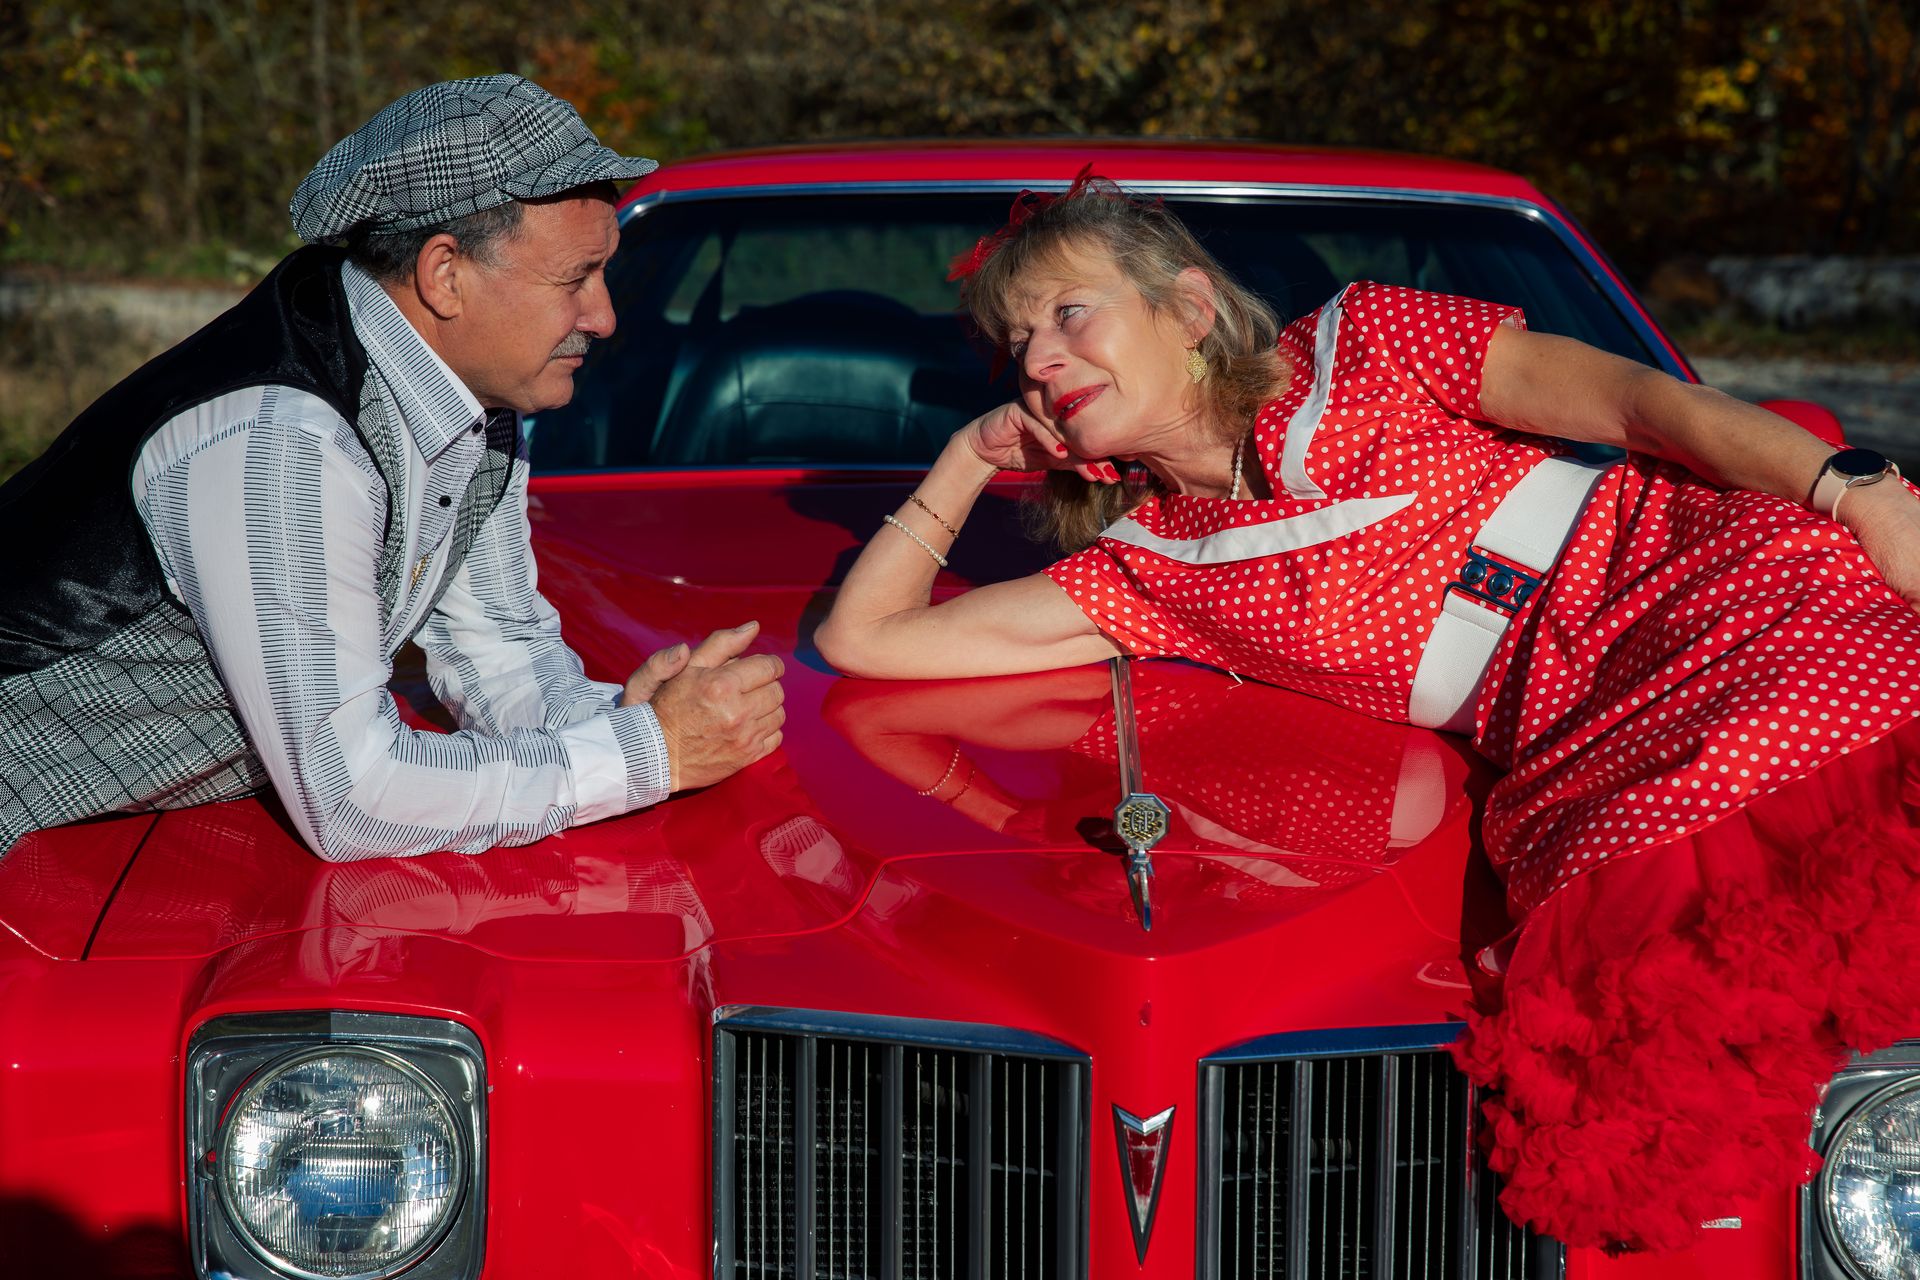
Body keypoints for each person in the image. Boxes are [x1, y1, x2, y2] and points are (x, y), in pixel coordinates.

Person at [814, 173, 1920, 1251]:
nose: (1040, 361)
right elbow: (864, 641)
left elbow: (1646, 405)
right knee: (1638, 1032)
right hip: (1589, 741)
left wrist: (1855, 488)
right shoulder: (1149, 573)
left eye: (1067, 312)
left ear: (1190, 307)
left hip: (1719, 591)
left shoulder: (1365, 341)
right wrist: (964, 461)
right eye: (1015, 348)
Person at [0, 75, 784, 862]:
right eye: (574, 277)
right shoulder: (283, 445)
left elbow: (499, 651)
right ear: (445, 275)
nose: (604, 316)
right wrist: (648, 754)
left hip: (101, 856)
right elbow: (353, 799)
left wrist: (619, 723)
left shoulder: (463, 397)